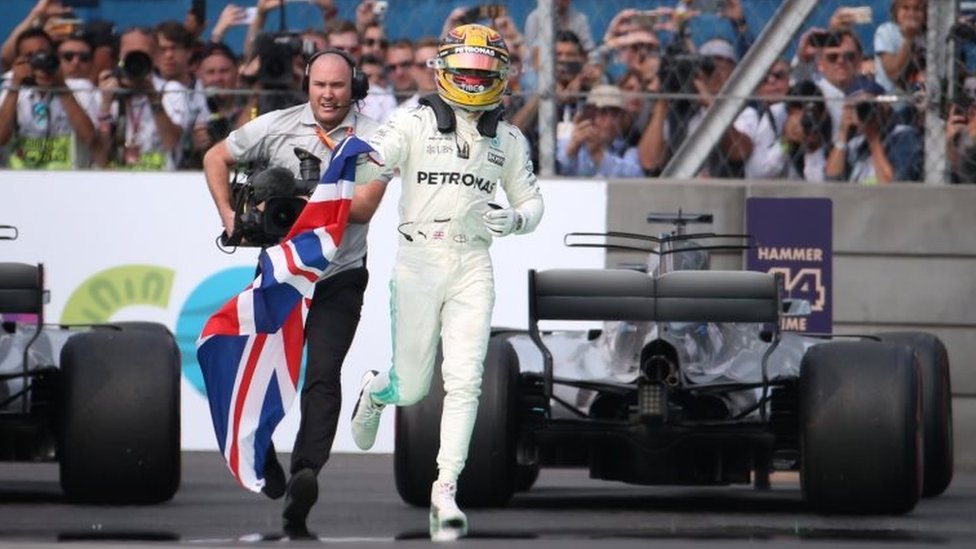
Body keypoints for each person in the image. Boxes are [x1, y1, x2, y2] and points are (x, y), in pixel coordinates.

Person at [349, 23, 544, 542]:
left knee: (466, 379)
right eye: (468, 72)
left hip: (473, 263)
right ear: (445, 70)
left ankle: (446, 489)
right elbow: (371, 166)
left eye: (486, 73)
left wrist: (518, 220)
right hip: (418, 260)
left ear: (502, 76)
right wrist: (359, 161)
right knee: (412, 388)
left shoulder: (508, 138)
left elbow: (531, 203)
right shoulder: (411, 123)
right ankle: (375, 391)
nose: (477, 82)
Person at [202, 47, 387, 537]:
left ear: (355, 87)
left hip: (340, 274)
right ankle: (264, 463)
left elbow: (365, 207)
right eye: (320, 85)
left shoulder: (374, 137)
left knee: (322, 374)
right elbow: (215, 156)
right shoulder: (278, 125)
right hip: (282, 270)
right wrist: (230, 218)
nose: (328, 95)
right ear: (308, 85)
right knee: (249, 363)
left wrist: (301, 203)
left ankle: (306, 473)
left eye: (339, 86)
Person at [0, 27, 98, 169]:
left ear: (54, 56)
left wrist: (62, 88)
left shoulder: (80, 88)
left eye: (43, 54)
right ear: (19, 61)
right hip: (20, 179)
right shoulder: (10, 90)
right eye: (30, 56)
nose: (39, 61)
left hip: (69, 178)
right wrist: (15, 88)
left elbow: (90, 139)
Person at [92, 26, 188, 170]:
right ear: (120, 57)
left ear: (155, 57)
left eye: (142, 55)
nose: (135, 61)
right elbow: (99, 155)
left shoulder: (171, 91)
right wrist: (105, 105)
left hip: (161, 180)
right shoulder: (107, 92)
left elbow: (171, 142)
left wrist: (153, 97)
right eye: (130, 55)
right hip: (116, 178)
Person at [826, 79, 923, 184]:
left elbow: (893, 187)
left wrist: (874, 139)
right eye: (859, 108)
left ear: (885, 106)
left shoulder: (905, 136)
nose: (865, 113)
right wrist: (842, 134)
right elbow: (832, 178)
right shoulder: (856, 144)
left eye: (869, 106)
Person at [556, 84, 643, 177]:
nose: (596, 120)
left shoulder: (629, 152)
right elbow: (553, 174)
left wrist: (599, 155)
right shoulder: (568, 141)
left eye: (605, 113)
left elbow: (635, 179)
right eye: (591, 112)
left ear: (620, 118)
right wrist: (571, 152)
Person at [874, 0, 926, 93]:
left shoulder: (928, 36)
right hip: (890, 98)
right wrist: (909, 39)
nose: (911, 13)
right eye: (905, 8)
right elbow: (893, 72)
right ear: (896, 10)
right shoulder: (886, 31)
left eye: (917, 8)